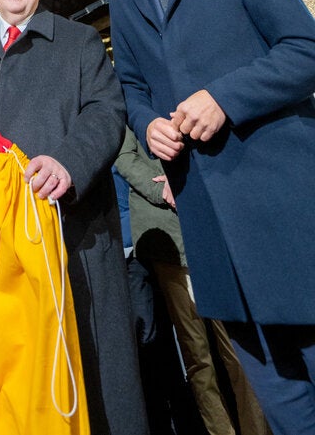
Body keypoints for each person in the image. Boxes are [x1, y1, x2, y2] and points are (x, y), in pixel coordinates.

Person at [105, 0, 315, 435]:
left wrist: (225, 97)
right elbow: (131, 87)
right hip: (206, 212)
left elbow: (305, 51)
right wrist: (147, 123)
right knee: (272, 382)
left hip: (282, 198)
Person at [0, 0, 148, 435]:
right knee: (15, 360)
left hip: (72, 229)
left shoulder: (79, 41)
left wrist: (68, 163)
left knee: (94, 363)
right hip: (0, 238)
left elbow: (108, 112)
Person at [116, 126, 270, 435]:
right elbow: (124, 155)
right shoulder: (126, 94)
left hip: (213, 234)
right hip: (168, 245)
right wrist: (160, 188)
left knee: (241, 353)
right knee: (198, 357)